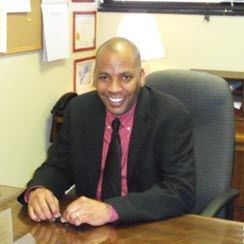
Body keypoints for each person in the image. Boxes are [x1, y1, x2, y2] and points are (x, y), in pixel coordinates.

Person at [18, 37, 195, 226]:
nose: (114, 88)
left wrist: (112, 209)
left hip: (146, 226)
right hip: (88, 228)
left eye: (126, 77)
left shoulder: (171, 116)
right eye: (104, 77)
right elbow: (59, 166)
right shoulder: (79, 110)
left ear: (141, 76)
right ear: (94, 78)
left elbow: (180, 191)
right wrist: (40, 189)